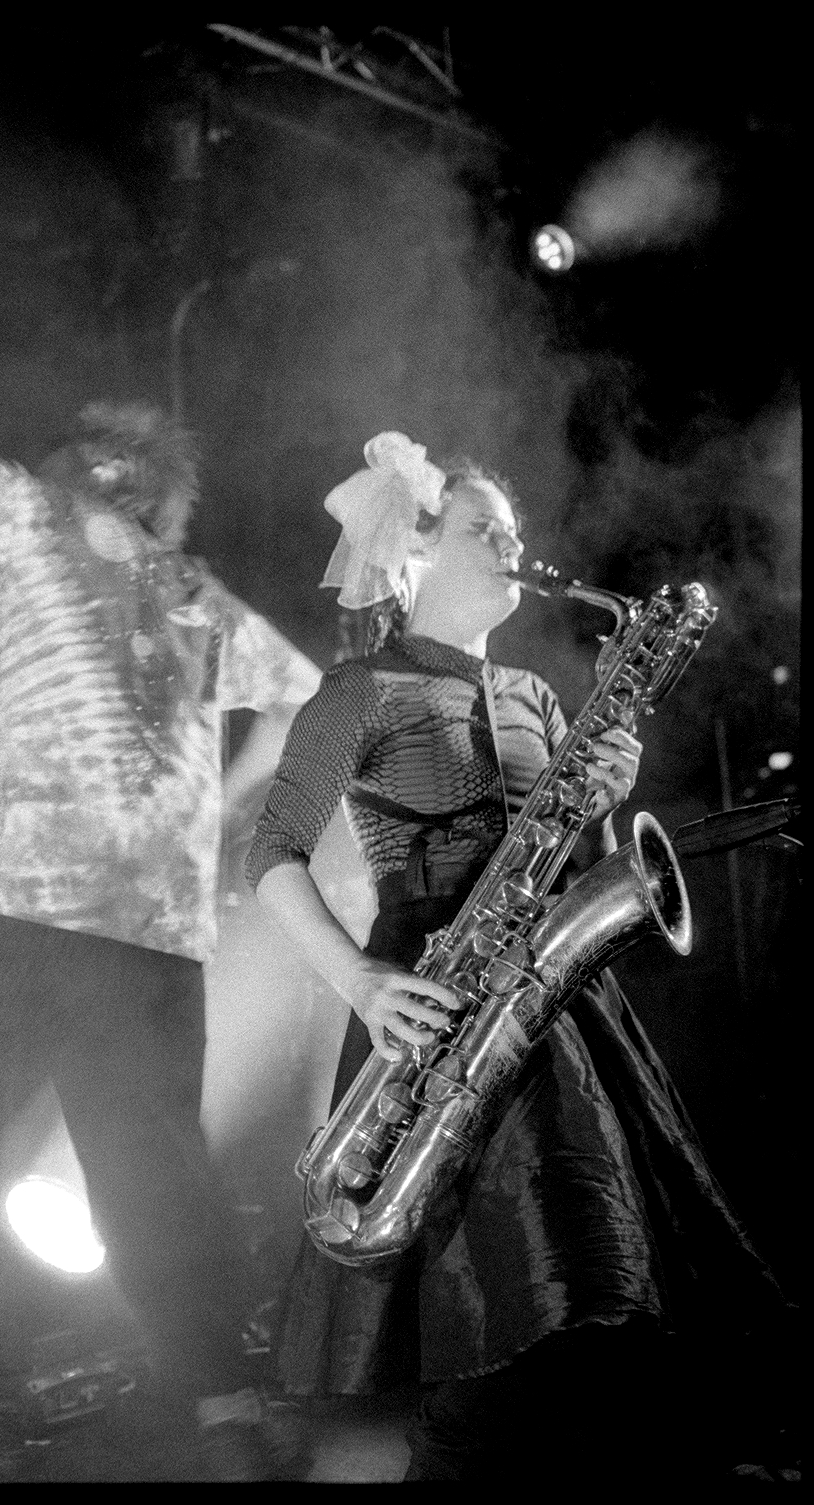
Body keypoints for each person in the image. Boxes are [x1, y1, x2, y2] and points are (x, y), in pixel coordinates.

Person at [245, 432, 789, 1484]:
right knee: (500, 1305)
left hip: (557, 996)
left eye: (512, 530)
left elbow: (577, 862)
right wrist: (359, 980)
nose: (511, 546)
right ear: (414, 550)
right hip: (436, 998)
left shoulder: (539, 694)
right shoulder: (361, 688)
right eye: (481, 529)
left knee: (599, 1282)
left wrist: (606, 801)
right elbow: (270, 851)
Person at [0, 401, 322, 1481]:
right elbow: (308, 705)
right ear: (166, 503)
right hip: (145, 931)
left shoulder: (29, 511)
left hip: (14, 907)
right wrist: (221, 815)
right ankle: (225, 1407)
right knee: (156, 1179)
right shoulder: (194, 595)